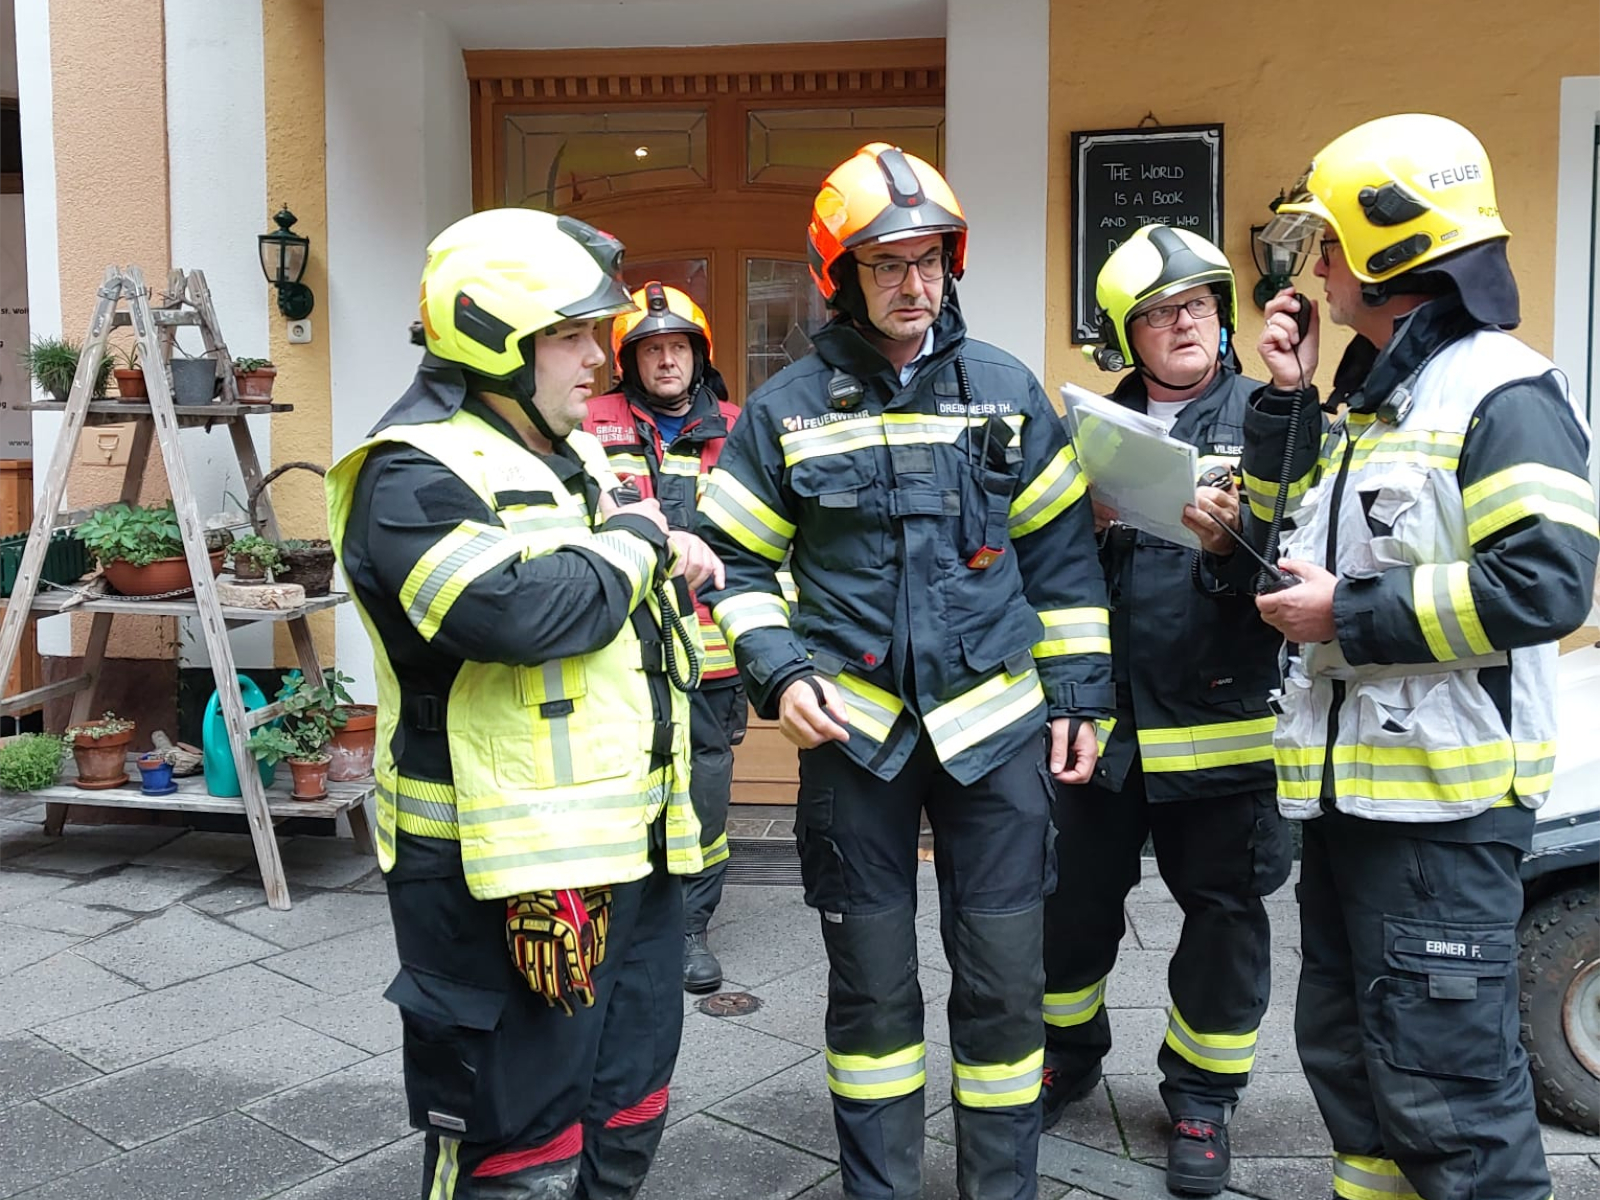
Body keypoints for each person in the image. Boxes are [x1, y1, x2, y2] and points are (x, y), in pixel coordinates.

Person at [695, 142, 1112, 1200]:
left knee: (1006, 990)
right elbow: (735, 561)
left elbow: (1062, 560)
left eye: (929, 260)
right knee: (871, 994)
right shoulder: (784, 410)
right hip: (856, 735)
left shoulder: (1007, 392)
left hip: (996, 733)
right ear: (840, 274)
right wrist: (780, 672)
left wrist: (1078, 697)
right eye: (887, 264)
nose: (914, 284)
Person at [1212, 113, 1599, 1200]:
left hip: (1443, 815)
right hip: (1357, 802)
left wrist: (1347, 613)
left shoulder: (1502, 392)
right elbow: (1296, 526)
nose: (1316, 270)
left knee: (1451, 1101)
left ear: (1387, 252)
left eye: (1328, 244)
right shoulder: (1378, 394)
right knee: (1353, 1066)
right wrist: (1287, 396)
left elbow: (1548, 584)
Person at [325, 207, 706, 1199]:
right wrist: (639, 541)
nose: (601, 358)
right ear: (494, 339)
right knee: (516, 1153)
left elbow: (609, 595)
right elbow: (517, 612)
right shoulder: (410, 471)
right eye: (572, 335)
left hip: (629, 853)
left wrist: (649, 548)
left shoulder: (568, 455)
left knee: (626, 1110)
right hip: (498, 875)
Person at [1040, 225, 1292, 1196]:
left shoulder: (1270, 420)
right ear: (1125, 336)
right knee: (1069, 906)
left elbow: (1298, 571)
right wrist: (1083, 521)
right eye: (1157, 314)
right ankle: (1067, 1054)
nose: (1183, 323)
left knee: (1223, 918)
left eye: (1196, 304)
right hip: (1101, 726)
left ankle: (1200, 1097)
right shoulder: (1091, 434)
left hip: (1221, 725)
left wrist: (1232, 545)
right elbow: (1043, 573)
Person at [582, 282, 745, 993]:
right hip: (621, 644)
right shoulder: (590, 423)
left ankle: (689, 926)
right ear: (629, 362)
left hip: (712, 650)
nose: (667, 360)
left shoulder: (737, 427)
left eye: (679, 346)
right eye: (651, 350)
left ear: (699, 356)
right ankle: (617, 917)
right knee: (618, 776)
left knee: (704, 788)